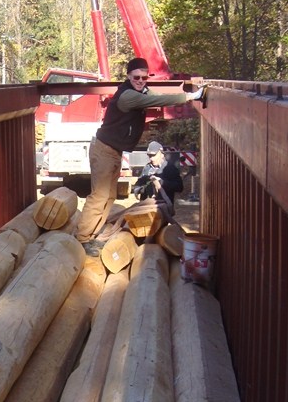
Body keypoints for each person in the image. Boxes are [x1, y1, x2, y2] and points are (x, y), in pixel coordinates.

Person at [75, 57, 206, 256]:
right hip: (104, 150)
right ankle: (81, 239)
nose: (141, 80)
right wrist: (189, 96)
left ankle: (93, 235)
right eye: (136, 77)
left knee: (109, 196)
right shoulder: (128, 95)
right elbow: (157, 99)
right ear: (128, 76)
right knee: (99, 196)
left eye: (144, 77)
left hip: (113, 151)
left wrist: (150, 89)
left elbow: (154, 94)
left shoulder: (139, 90)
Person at [133, 140, 183, 208]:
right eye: (149, 156)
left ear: (161, 154)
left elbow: (179, 187)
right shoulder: (147, 168)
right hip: (146, 208)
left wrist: (161, 182)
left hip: (164, 208)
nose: (151, 159)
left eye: (154, 155)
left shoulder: (170, 168)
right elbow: (138, 183)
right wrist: (138, 189)